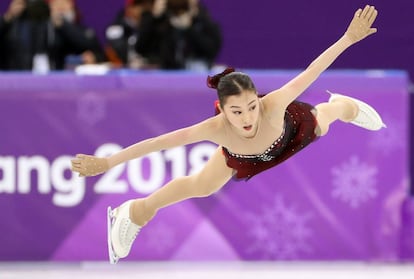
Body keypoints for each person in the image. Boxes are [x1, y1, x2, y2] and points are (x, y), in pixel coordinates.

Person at [71, 5, 384, 264]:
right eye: (237, 112)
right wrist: (108, 163)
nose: (248, 117)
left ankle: (343, 105)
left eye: (251, 106)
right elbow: (158, 143)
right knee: (201, 186)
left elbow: (312, 70)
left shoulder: (272, 106)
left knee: (324, 120)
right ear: (221, 110)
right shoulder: (215, 129)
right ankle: (136, 211)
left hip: (289, 134)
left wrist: (347, 39)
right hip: (242, 155)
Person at [0, 0, 105, 72]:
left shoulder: (62, 28)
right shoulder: (13, 26)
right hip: (17, 79)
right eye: (57, 4)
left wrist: (62, 24)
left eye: (64, 3)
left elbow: (89, 44)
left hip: (56, 80)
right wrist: (8, 18)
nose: (60, 7)